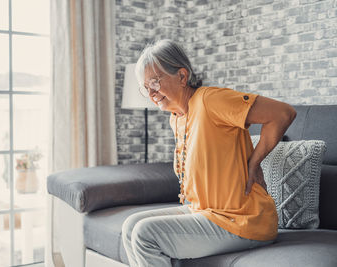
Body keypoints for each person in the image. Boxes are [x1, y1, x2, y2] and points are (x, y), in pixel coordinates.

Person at [121, 39, 297, 267]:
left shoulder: (210, 100)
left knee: (145, 233)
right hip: (205, 212)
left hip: (242, 219)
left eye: (155, 82)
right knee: (130, 226)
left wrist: (254, 163)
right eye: (146, 87)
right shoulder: (177, 118)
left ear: (182, 76)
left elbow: (282, 113)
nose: (151, 93)